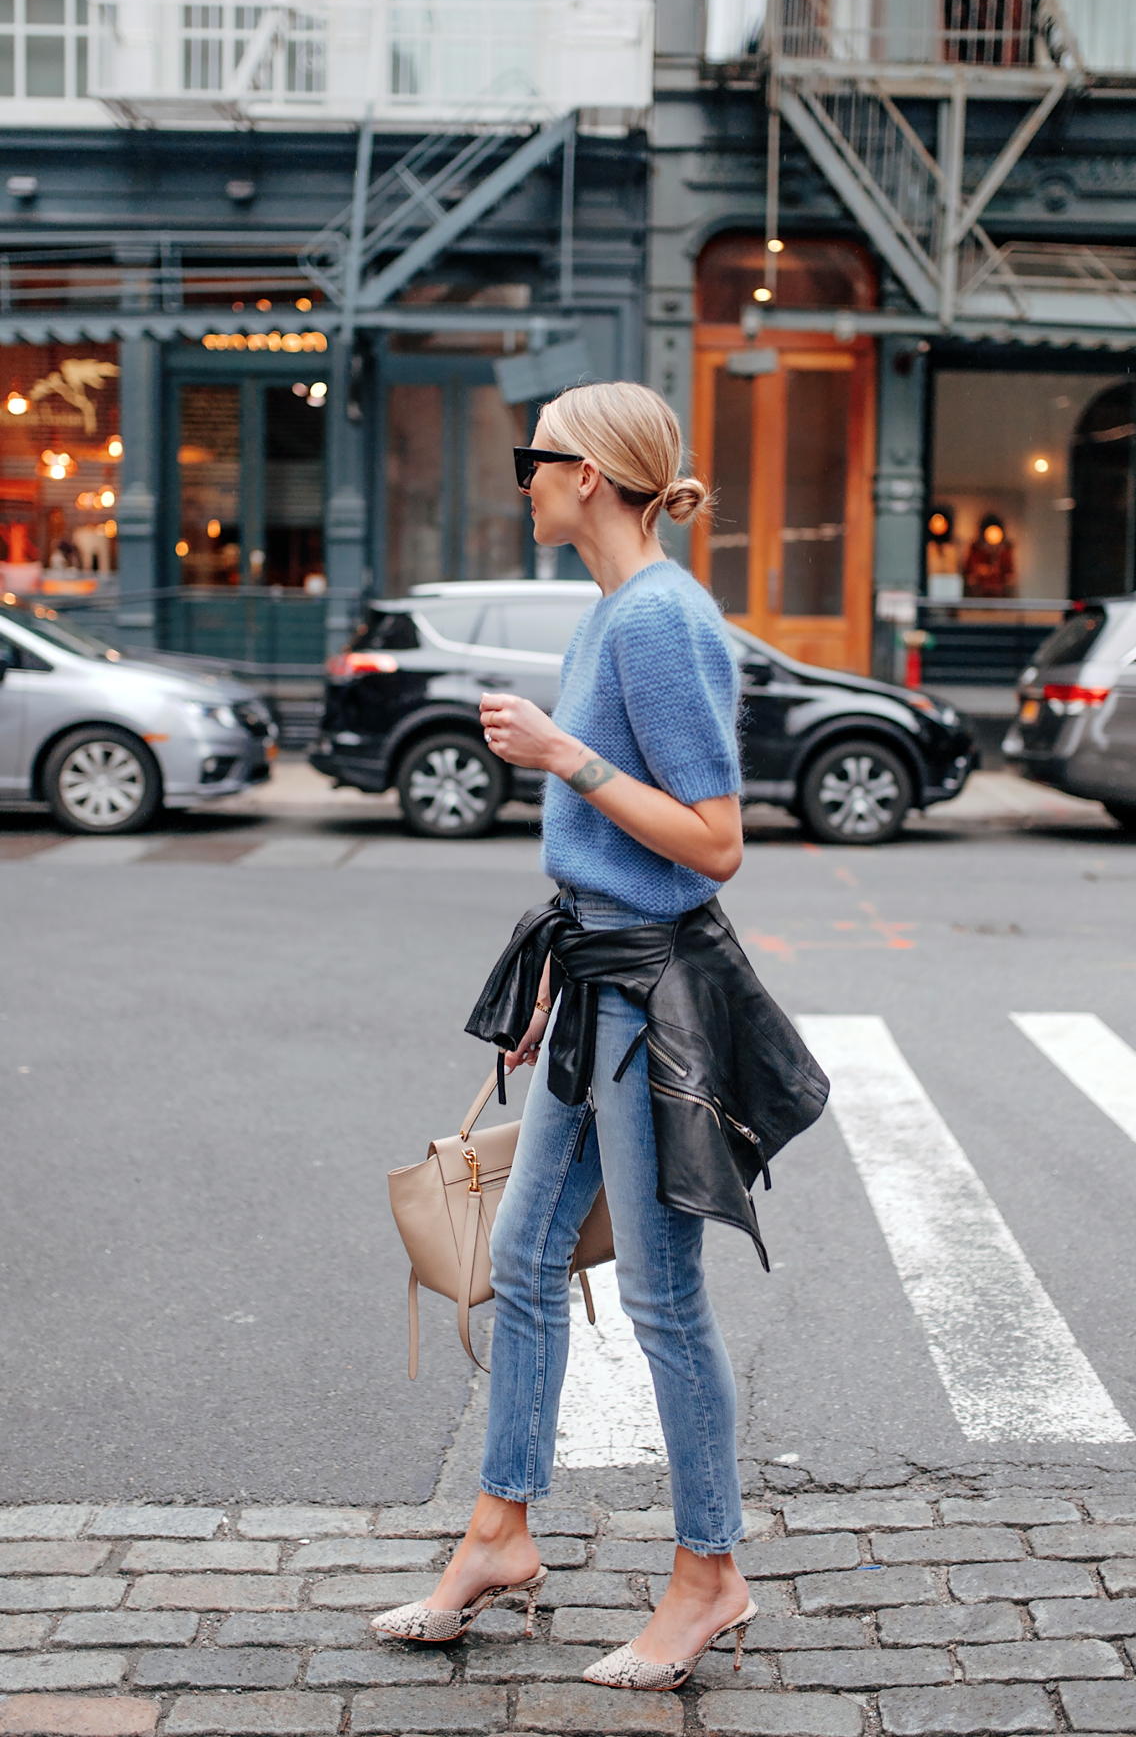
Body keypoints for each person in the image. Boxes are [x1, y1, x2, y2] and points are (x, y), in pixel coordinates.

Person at [372, 381, 759, 1689]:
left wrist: (560, 757)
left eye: (534, 457)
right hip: (594, 980)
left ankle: (710, 1574)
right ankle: (499, 1530)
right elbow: (618, 844)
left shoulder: (661, 619)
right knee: (526, 1259)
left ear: (589, 474)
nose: (521, 474)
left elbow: (716, 841)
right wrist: (556, 959)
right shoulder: (611, 613)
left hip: (654, 1004)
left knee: (660, 1297)